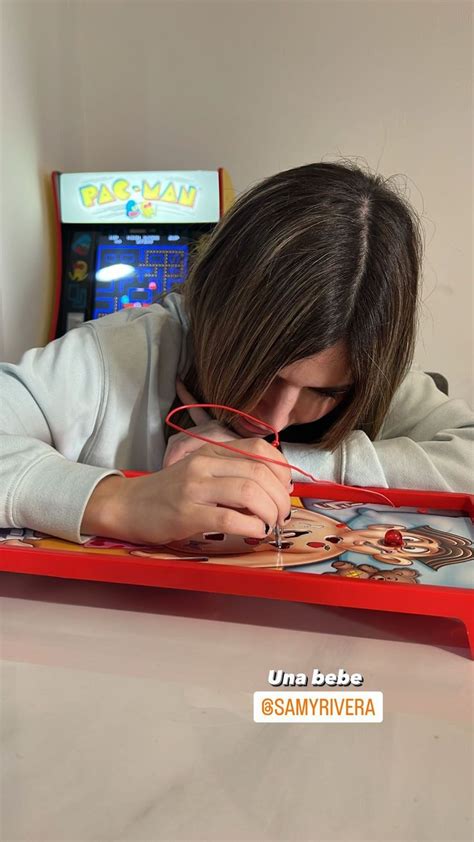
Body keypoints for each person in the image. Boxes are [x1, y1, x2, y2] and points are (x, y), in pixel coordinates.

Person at [1, 162, 472, 547]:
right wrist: (121, 502)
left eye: (325, 392)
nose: (278, 418)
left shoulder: (366, 370)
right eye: (265, 373)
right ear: (211, 309)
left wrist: (287, 465)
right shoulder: (115, 356)